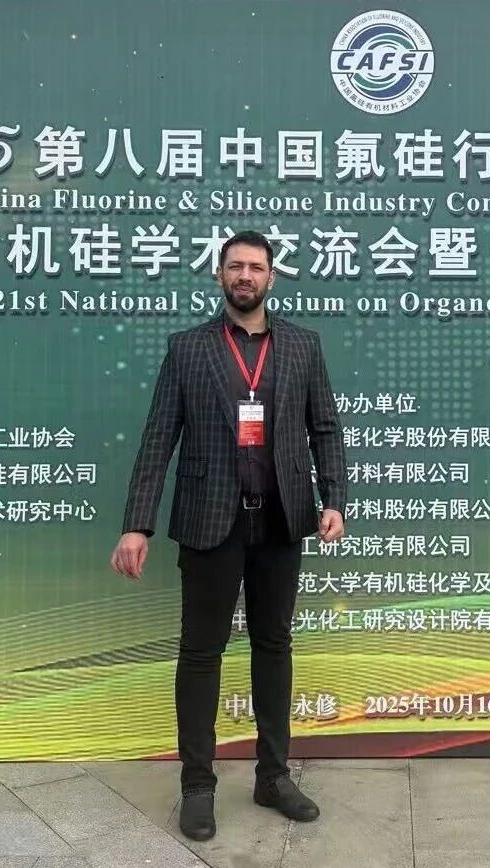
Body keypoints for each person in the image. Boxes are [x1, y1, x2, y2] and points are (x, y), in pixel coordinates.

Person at [110, 230, 347, 841]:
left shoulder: (302, 346)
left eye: (256, 267)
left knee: (274, 645)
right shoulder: (188, 349)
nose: (246, 275)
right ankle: (197, 785)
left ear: (272, 277)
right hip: (209, 520)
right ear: (219, 275)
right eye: (236, 266)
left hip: (281, 520)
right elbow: (158, 438)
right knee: (200, 652)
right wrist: (137, 524)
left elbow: (324, 428)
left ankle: (273, 776)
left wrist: (334, 499)